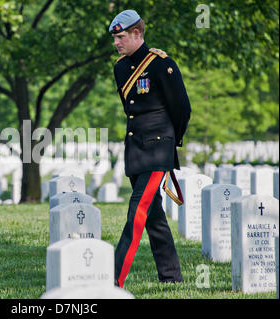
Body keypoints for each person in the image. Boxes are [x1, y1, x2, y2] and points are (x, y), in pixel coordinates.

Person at [109, 9, 191, 288]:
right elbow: (130, 111)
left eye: (121, 37)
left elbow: (181, 109)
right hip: (135, 149)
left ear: (137, 34)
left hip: (158, 150)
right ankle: (171, 277)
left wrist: (170, 144)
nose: (117, 43)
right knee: (154, 216)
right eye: (115, 38)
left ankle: (112, 280)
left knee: (137, 212)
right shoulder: (120, 68)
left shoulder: (161, 64)